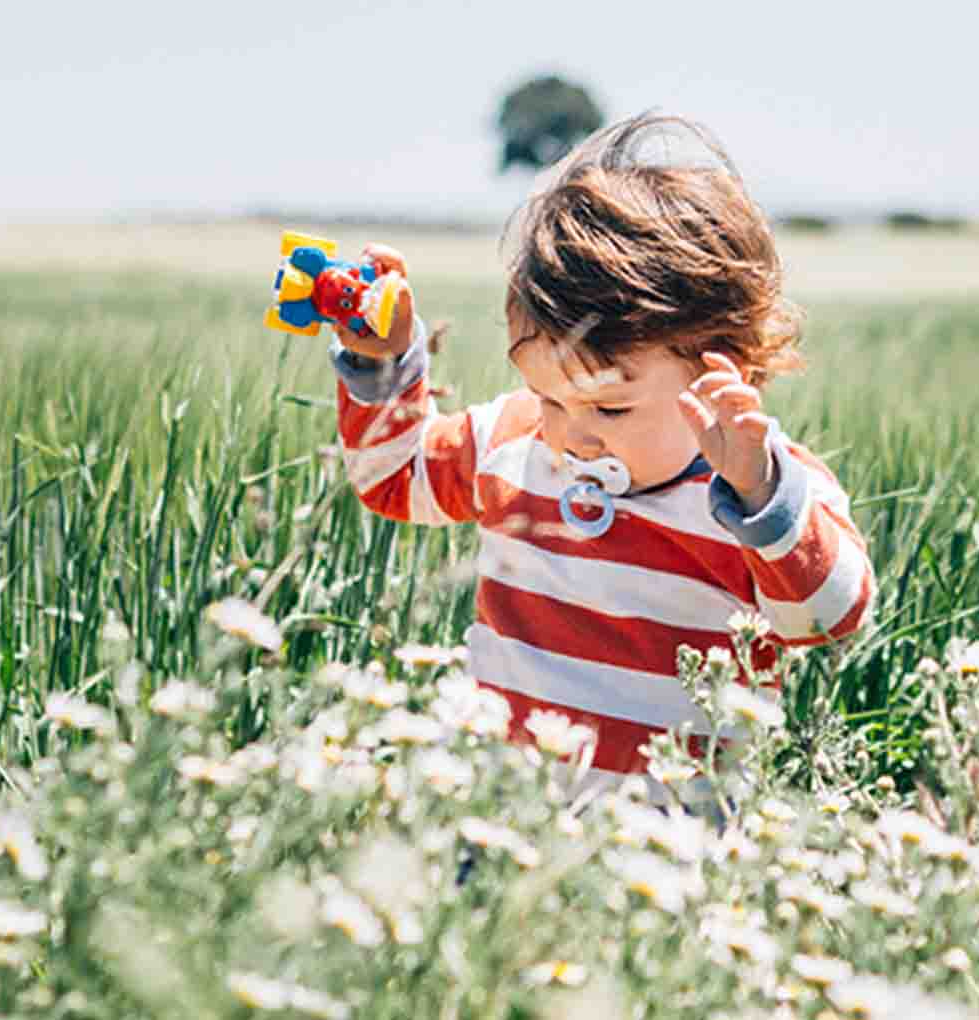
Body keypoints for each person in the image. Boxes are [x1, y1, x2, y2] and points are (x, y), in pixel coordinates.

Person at [325, 113, 875, 794]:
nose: (570, 436)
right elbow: (396, 480)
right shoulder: (511, 439)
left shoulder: (763, 490)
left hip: (674, 848)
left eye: (610, 408)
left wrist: (761, 496)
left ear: (721, 370)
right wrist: (380, 367)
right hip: (501, 824)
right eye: (548, 396)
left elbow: (827, 620)